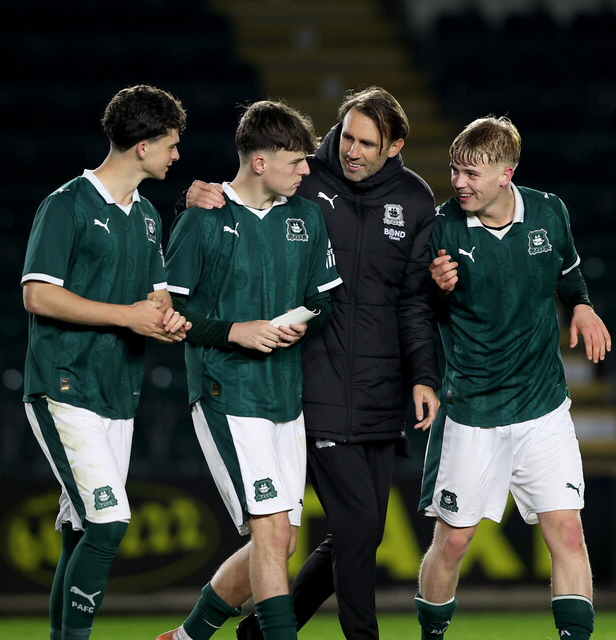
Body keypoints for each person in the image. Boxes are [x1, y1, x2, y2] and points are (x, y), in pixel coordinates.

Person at [183, 86, 441, 640]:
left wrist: (423, 374)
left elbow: (416, 301)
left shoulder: (417, 200)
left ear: (393, 147)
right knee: (341, 529)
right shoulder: (306, 178)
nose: (349, 150)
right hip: (313, 386)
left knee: (357, 533)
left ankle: (248, 632)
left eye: (366, 143)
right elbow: (251, 177)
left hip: (380, 388)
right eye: (345, 136)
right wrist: (202, 194)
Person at [415, 115, 612, 640]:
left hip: (542, 408)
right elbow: (416, 312)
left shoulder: (549, 211)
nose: (459, 183)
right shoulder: (442, 225)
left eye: (471, 174)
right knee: (452, 543)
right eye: (455, 171)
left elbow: (568, 274)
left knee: (567, 532)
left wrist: (584, 307)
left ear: (507, 174)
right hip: (472, 409)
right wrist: (437, 288)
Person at [156, 100, 342, 640]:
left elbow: (325, 299)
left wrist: (303, 321)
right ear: (260, 161)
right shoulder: (203, 219)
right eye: (297, 161)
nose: (307, 170)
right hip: (224, 389)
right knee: (269, 530)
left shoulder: (305, 217)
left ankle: (188, 637)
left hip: (285, 393)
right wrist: (237, 331)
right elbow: (169, 314)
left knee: (279, 540)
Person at [21, 84, 188, 640]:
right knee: (110, 524)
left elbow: (156, 299)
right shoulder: (66, 204)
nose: (176, 154)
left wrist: (166, 319)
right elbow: (38, 295)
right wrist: (128, 316)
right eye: (170, 143)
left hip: (118, 393)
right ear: (142, 146)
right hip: (64, 387)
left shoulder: (145, 216)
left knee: (80, 534)